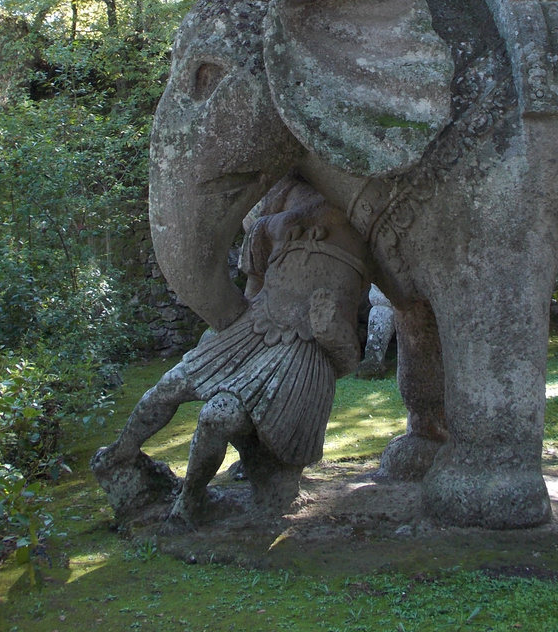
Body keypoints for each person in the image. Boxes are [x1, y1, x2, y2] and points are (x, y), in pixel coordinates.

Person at [91, 181, 372, 528]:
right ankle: (120, 453)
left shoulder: (371, 214)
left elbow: (348, 358)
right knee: (170, 384)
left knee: (218, 416)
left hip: (299, 353)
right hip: (255, 323)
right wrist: (274, 225)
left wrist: (332, 331)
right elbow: (255, 243)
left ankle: (191, 498)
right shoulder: (291, 188)